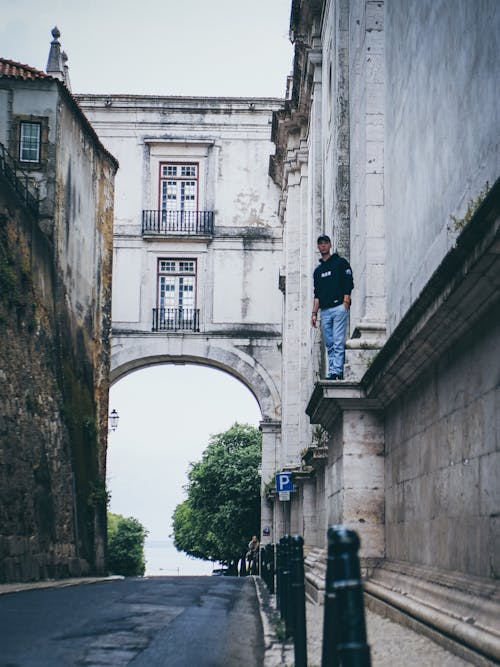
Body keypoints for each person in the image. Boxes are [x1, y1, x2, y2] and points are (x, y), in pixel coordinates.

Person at [311, 234, 354, 380]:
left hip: (339, 307)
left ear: (330, 245)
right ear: (318, 247)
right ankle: (332, 372)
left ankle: (337, 371)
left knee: (337, 340)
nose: (323, 245)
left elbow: (349, 281)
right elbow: (316, 294)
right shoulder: (318, 271)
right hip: (325, 311)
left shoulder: (340, 263)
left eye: (325, 243)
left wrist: (346, 301)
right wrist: (314, 313)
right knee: (329, 343)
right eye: (320, 243)